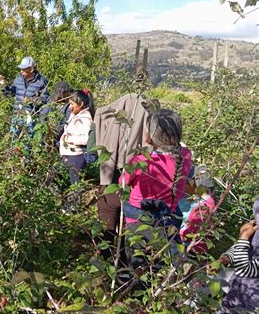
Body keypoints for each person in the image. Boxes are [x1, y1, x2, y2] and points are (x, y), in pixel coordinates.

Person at [122, 109, 192, 268]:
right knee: (165, 261)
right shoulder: (185, 156)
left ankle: (139, 288)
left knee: (138, 263)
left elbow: (122, 182)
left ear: (150, 136)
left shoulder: (140, 161)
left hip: (139, 220)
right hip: (170, 218)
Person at [89, 93, 150, 247]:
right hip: (136, 189)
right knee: (129, 229)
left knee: (106, 225)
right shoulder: (151, 125)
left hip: (112, 181)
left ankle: (106, 260)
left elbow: (91, 149)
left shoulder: (108, 115)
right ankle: (123, 261)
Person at [217, 198, 259, 314]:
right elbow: (243, 248)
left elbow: (245, 270)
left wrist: (243, 237)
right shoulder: (256, 230)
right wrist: (225, 258)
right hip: (237, 293)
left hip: (252, 308)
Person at [0, 56, 50, 138]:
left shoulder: (41, 81)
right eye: (21, 69)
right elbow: (10, 94)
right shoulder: (18, 79)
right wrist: (3, 85)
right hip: (17, 116)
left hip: (31, 118)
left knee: (27, 143)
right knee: (14, 140)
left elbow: (45, 99)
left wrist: (31, 100)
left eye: (24, 69)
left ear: (31, 69)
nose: (21, 71)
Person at [178, 165, 216, 254]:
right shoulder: (192, 199)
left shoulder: (204, 207)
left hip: (190, 248)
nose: (185, 187)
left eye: (188, 184)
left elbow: (189, 233)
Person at [59, 90, 94, 185]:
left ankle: (76, 200)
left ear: (81, 104)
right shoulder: (75, 115)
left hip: (76, 157)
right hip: (70, 155)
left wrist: (69, 139)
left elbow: (86, 139)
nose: (70, 107)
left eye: (72, 104)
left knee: (76, 186)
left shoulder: (85, 119)